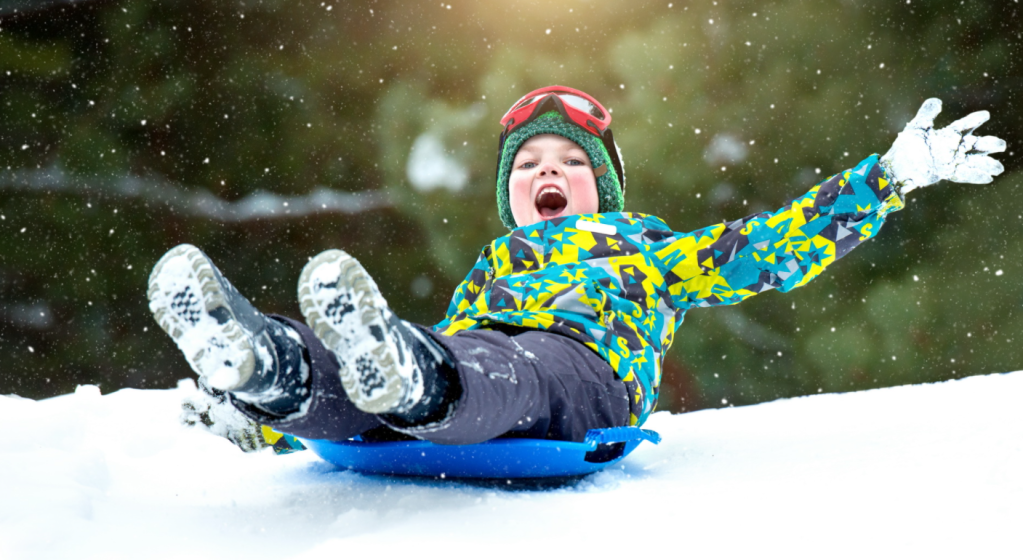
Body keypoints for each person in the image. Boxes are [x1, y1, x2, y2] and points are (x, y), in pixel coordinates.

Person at [151, 87, 1005, 452]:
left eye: (569, 161)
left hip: (580, 371)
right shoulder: (492, 267)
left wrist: (890, 177)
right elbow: (438, 341)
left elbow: (769, 248)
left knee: (496, 370)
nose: (547, 172)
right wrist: (266, 429)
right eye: (528, 165)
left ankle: (412, 381)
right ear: (509, 195)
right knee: (388, 373)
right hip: (470, 353)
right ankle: (268, 367)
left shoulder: (648, 250)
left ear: (602, 186)